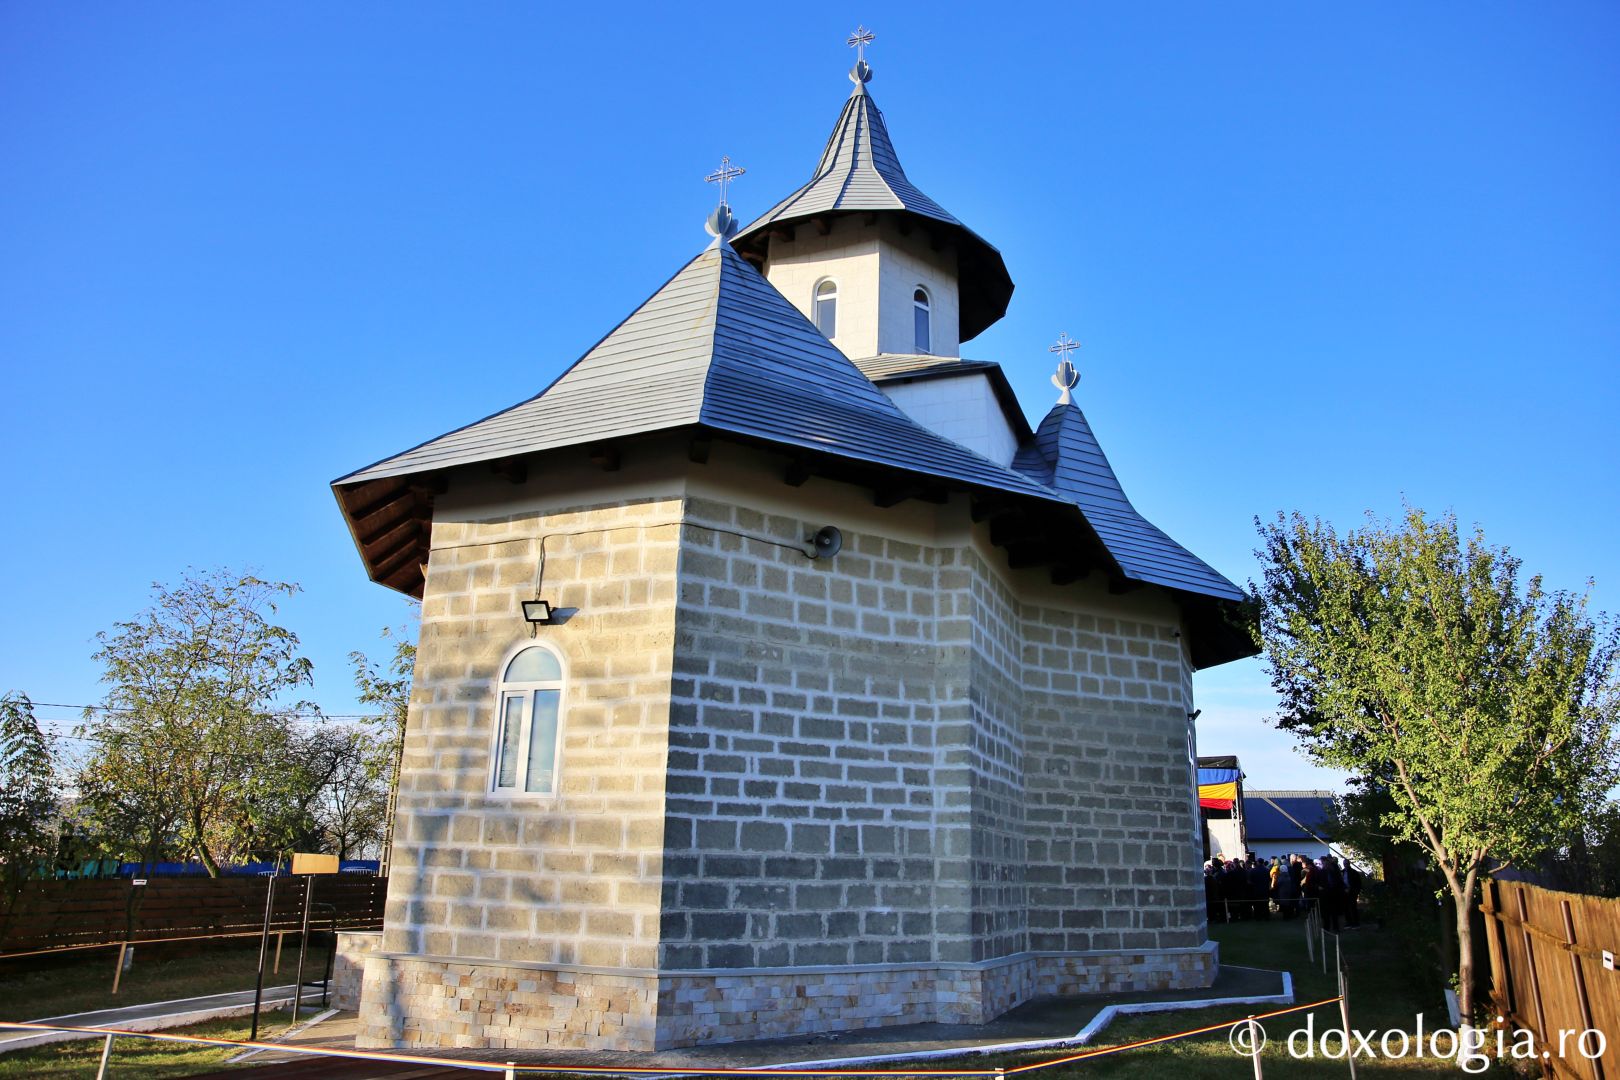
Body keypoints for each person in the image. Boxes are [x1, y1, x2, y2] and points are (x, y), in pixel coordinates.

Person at [1344, 861, 1363, 928]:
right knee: (1346, 908)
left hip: (1352, 892)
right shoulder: (1343, 872)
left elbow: (1358, 883)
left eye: (1346, 864)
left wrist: (1356, 891)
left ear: (1349, 864)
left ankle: (1356, 923)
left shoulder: (1354, 872)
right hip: (1345, 892)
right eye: (1344, 864)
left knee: (1353, 907)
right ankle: (1349, 922)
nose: (1345, 865)